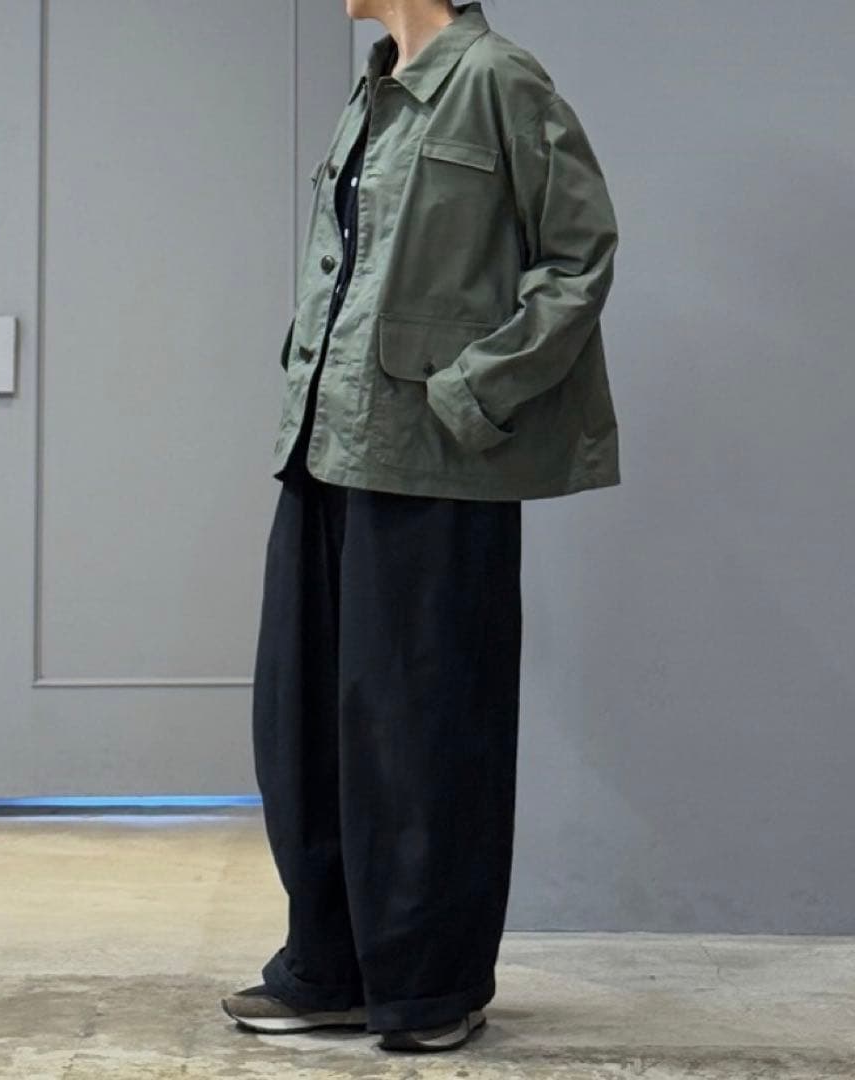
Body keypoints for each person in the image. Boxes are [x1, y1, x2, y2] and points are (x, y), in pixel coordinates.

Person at [222, 0, 619, 1055]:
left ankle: (429, 986)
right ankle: (331, 967)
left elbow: (579, 257)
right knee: (304, 723)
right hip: (327, 445)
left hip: (436, 460)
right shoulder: (375, 92)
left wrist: (474, 393)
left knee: (425, 729)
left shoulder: (497, 79)